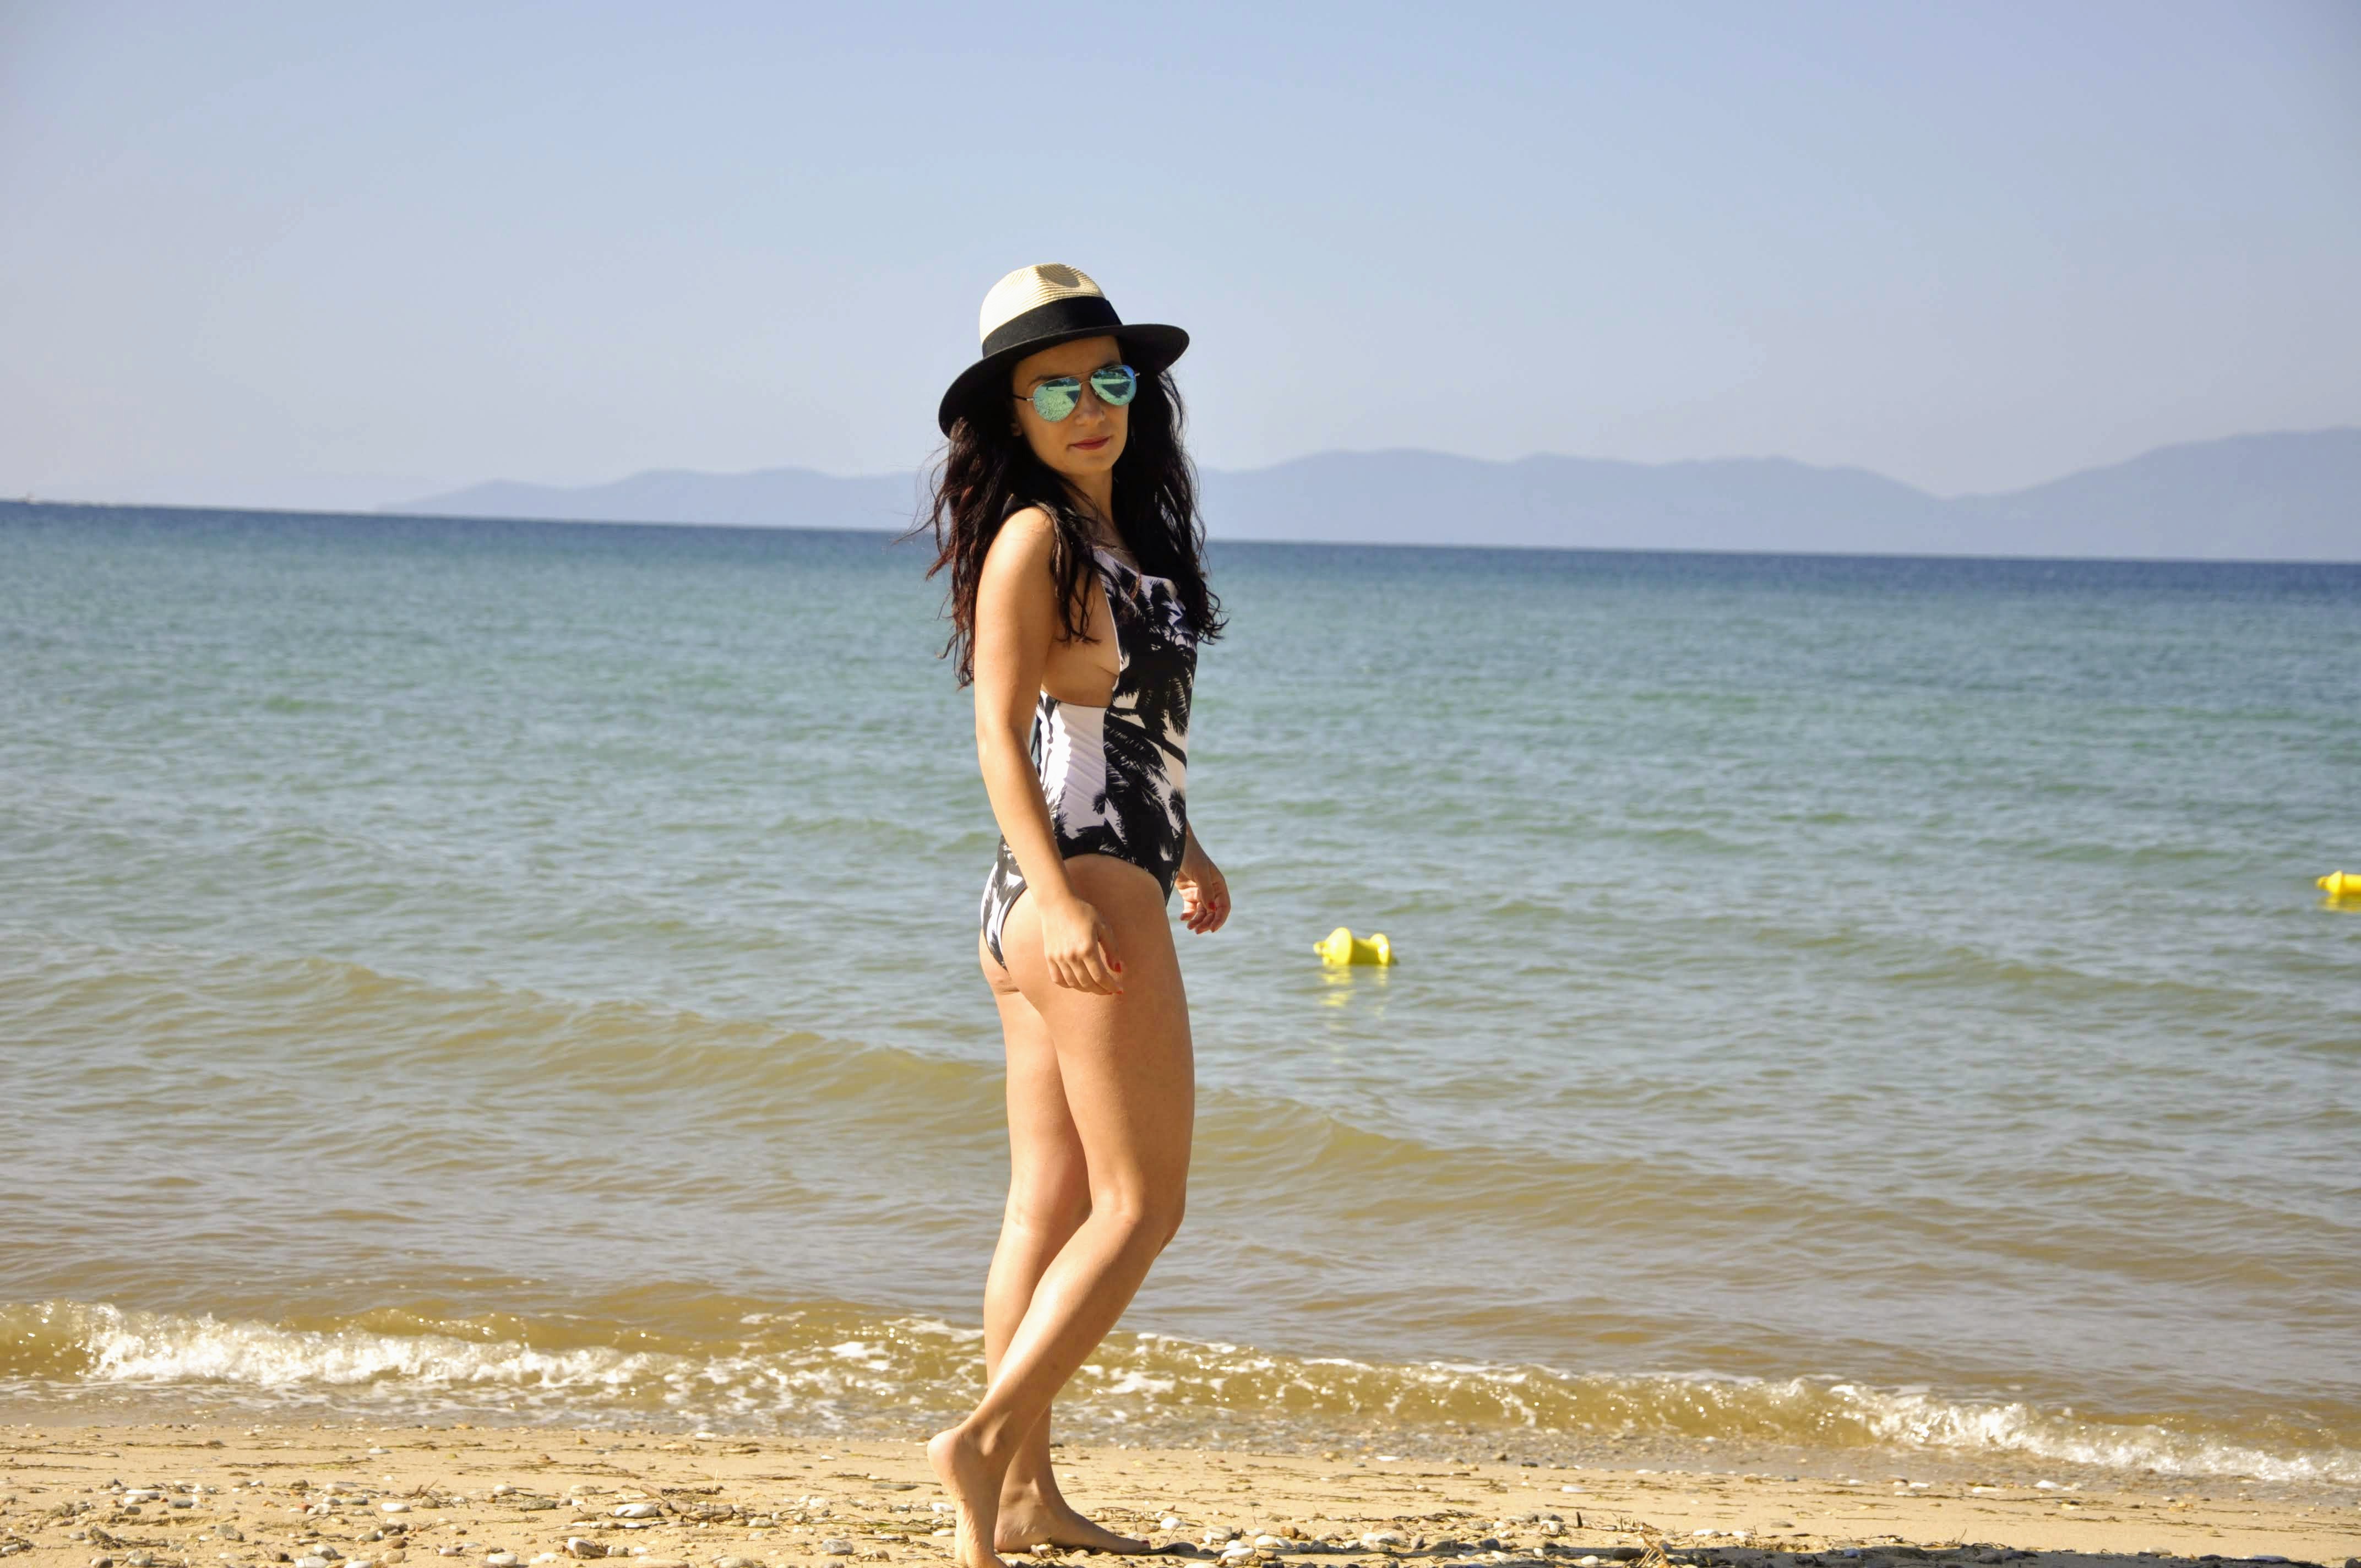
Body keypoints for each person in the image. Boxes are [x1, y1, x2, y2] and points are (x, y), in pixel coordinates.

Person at [915, 263, 1230, 1567]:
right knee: (1141, 1204)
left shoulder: (1118, 539)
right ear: (1013, 410)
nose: (1091, 406)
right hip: (1075, 885)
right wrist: (1061, 898)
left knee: (1044, 1204)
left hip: (1081, 878)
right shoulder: (1034, 538)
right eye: (1057, 388)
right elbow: (999, 732)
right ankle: (983, 1438)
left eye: (1110, 378)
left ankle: (1023, 1497)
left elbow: (1116, 726)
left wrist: (1190, 848)